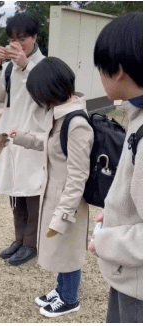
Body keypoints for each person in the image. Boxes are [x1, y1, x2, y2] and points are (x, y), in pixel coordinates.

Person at [10, 57, 93, 318]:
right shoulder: (58, 116)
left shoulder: (76, 123)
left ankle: (69, 299)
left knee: (67, 254)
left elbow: (79, 176)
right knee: (58, 251)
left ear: (48, 91)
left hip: (67, 204)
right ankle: (60, 290)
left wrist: (64, 215)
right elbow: (49, 146)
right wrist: (21, 138)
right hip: (53, 197)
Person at [88, 12, 143, 323]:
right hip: (130, 275)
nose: (100, 76)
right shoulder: (136, 115)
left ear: (118, 70)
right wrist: (115, 213)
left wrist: (106, 240)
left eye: (100, 69)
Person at [0, 12, 46, 265]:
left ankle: (32, 243)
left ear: (35, 37)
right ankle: (19, 239)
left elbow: (45, 94)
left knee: (33, 190)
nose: (17, 44)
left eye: (23, 38)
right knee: (14, 190)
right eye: (12, 39)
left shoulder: (44, 66)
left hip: (33, 136)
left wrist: (26, 66)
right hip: (10, 135)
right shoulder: (8, 69)